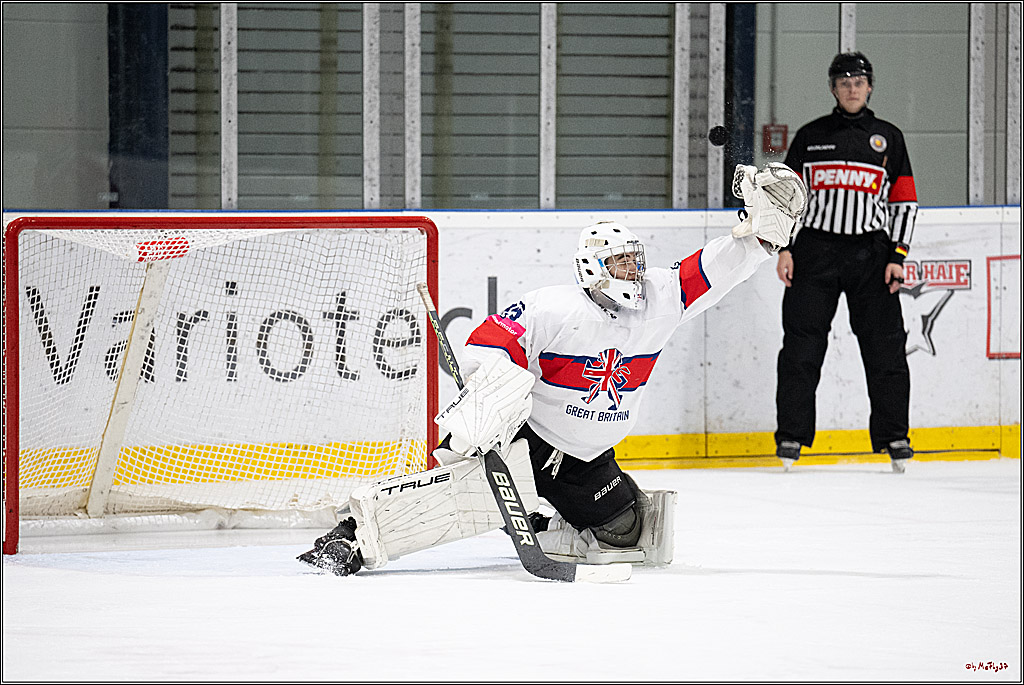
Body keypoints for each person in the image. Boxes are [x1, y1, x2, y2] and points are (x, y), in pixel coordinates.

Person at [299, 162, 807, 576]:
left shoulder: (661, 300)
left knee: (628, 529)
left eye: (635, 261)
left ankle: (540, 523)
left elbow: (716, 269)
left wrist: (761, 236)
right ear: (594, 268)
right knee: (458, 502)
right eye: (622, 263)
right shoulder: (553, 308)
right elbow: (489, 346)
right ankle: (351, 538)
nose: (634, 272)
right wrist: (482, 406)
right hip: (531, 443)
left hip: (585, 457)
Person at [774, 52, 919, 474]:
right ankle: (791, 437)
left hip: (871, 256)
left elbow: (904, 201)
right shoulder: (810, 136)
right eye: (843, 82)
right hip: (814, 253)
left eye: (859, 81)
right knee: (801, 347)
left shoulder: (888, 137)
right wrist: (785, 248)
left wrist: (898, 255)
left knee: (885, 349)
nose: (852, 88)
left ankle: (895, 436)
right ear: (832, 88)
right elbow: (786, 199)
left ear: (870, 86)